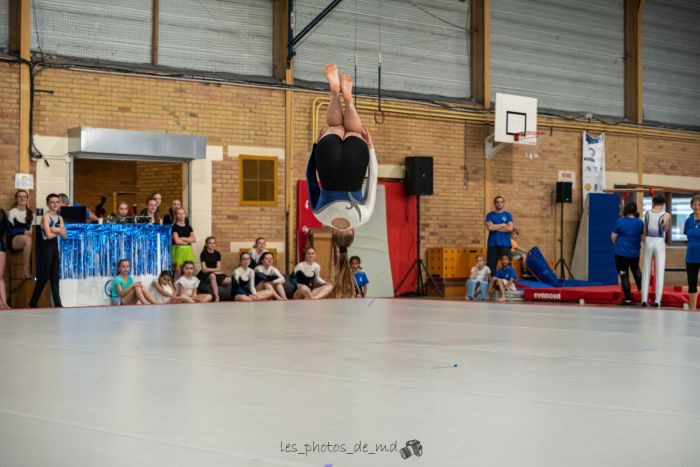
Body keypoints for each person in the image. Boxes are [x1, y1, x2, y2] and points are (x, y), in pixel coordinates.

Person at [306, 64, 378, 298]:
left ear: (352, 233)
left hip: (354, 168)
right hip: (328, 166)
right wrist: (316, 148)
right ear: (333, 234)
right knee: (335, 126)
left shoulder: (362, 218)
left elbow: (374, 179)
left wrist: (371, 148)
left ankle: (349, 98)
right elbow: (310, 177)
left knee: (353, 128)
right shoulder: (319, 215)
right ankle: (335, 92)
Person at [28, 194, 66, 308]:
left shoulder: (60, 218)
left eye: (57, 202)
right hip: (45, 249)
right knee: (43, 277)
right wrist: (59, 230)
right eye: (52, 202)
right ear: (48, 204)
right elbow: (48, 235)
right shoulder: (45, 217)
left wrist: (56, 229)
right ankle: (33, 302)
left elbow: (65, 236)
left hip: (54, 249)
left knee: (55, 277)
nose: (55, 204)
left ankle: (58, 304)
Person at [641, 194, 671, 308]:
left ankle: (644, 300)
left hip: (648, 240)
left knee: (646, 270)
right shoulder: (666, 214)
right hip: (659, 241)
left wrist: (644, 243)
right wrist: (666, 223)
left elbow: (644, 229)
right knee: (659, 272)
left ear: (653, 202)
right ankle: (658, 301)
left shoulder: (647, 213)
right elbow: (666, 229)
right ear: (663, 204)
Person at [611, 201, 644, 306]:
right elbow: (642, 238)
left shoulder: (620, 221)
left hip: (621, 253)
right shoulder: (639, 222)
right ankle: (643, 294)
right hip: (634, 253)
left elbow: (613, 237)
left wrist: (617, 245)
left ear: (625, 210)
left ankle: (628, 299)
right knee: (636, 271)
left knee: (624, 275)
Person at [197, 236, 231, 302]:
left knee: (229, 280)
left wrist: (216, 271)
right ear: (206, 244)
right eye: (210, 243)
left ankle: (231, 294)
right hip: (205, 274)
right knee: (212, 276)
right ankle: (217, 296)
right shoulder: (203, 254)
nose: (212, 245)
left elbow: (219, 268)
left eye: (214, 243)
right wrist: (215, 271)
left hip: (215, 273)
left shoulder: (217, 253)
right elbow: (204, 269)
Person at [8, 189, 34, 278]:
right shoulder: (12, 212)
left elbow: (32, 231)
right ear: (16, 199)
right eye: (20, 197)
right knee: (27, 239)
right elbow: (11, 231)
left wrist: (28, 232)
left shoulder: (30, 213)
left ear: (27, 199)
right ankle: (26, 269)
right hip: (13, 240)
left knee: (32, 240)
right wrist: (25, 232)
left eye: (24, 196)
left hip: (28, 240)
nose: (22, 198)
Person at [485, 196, 514, 273]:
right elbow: (490, 227)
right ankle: (492, 283)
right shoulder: (490, 215)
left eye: (501, 202)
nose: (499, 204)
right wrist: (502, 225)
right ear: (494, 203)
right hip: (493, 244)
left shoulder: (508, 215)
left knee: (507, 264)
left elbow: (510, 228)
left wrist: (495, 227)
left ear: (503, 203)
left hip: (505, 244)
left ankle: (507, 283)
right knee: (491, 266)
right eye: (497, 202)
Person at [684, 194, 700, 310]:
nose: (696, 206)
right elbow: (688, 236)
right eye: (694, 204)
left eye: (699, 204)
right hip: (691, 257)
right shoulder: (688, 220)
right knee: (692, 282)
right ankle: (693, 308)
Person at [171, 208, 196, 279]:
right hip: (178, 250)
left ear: (185, 215)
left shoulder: (188, 227)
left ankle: (187, 285)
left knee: (188, 270)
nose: (181, 215)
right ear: (176, 216)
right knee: (178, 270)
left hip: (188, 251)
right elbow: (177, 241)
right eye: (179, 214)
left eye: (183, 213)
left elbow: (194, 239)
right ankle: (176, 287)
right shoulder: (174, 227)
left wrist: (183, 238)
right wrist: (188, 241)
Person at [0, 209, 10, 308]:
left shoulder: (2, 213)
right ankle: (1, 302)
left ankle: (4, 303)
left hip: (1, 246)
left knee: (0, 276)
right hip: (1, 246)